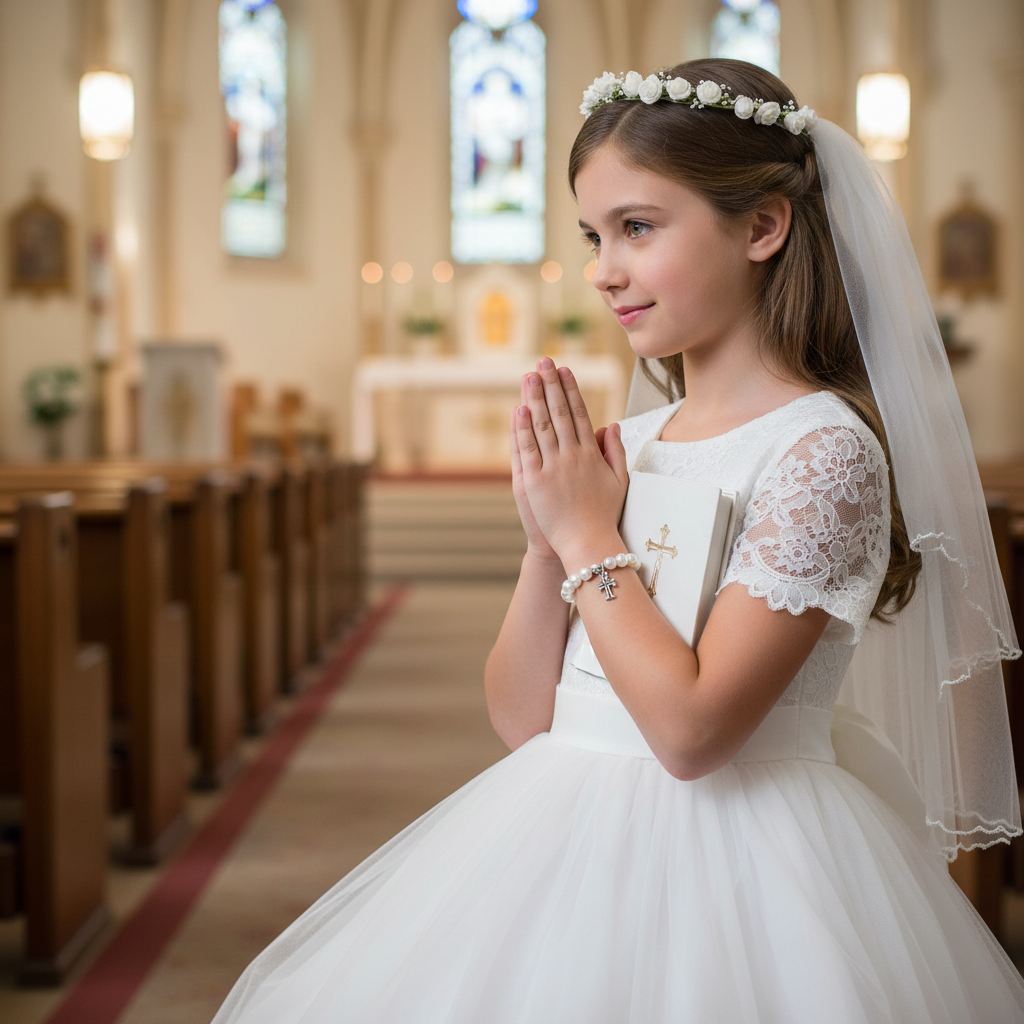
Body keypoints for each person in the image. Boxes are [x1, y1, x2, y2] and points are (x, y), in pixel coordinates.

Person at [213, 58, 1024, 1023]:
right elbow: (525, 719)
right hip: (563, 830)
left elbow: (691, 734)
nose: (604, 270)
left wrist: (590, 532)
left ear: (763, 226)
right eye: (595, 234)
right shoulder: (635, 443)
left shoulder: (821, 453)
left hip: (753, 863)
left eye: (639, 228)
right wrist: (545, 546)